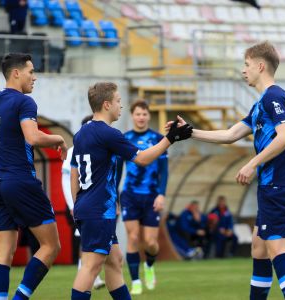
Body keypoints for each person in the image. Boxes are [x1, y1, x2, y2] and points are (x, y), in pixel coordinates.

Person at [173, 41, 285, 300]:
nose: (243, 70)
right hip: (274, 185)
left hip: (277, 184)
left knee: (277, 249)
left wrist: (252, 163)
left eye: (246, 64)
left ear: (260, 66)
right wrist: (190, 132)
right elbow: (231, 134)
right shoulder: (261, 104)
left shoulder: (274, 97)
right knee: (258, 247)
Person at [70, 82, 192, 299]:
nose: (121, 106)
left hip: (88, 207)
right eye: (118, 101)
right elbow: (143, 159)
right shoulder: (110, 134)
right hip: (98, 210)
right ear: (107, 105)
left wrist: (77, 203)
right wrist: (171, 138)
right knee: (90, 266)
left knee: (115, 261)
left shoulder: (81, 133)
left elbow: (74, 172)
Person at [0, 53, 68, 300]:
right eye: (31, 71)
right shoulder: (24, 102)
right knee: (51, 246)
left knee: (3, 253)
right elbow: (33, 137)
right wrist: (59, 138)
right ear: (16, 73)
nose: (35, 77)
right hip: (20, 180)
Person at [115, 99, 168, 295]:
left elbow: (165, 170)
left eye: (144, 114)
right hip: (130, 195)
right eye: (137, 114)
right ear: (132, 116)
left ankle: (149, 266)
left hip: (152, 196)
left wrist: (161, 194)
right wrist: (115, 197)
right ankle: (136, 281)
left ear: (149, 116)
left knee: (151, 243)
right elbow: (118, 170)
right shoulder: (124, 138)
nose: (141, 117)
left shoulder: (158, 138)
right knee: (134, 237)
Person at [61, 115, 106, 290]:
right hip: (82, 204)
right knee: (86, 241)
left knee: (103, 245)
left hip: (98, 204)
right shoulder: (73, 150)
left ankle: (90, 275)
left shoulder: (101, 148)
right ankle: (88, 276)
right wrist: (72, 205)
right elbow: (66, 179)